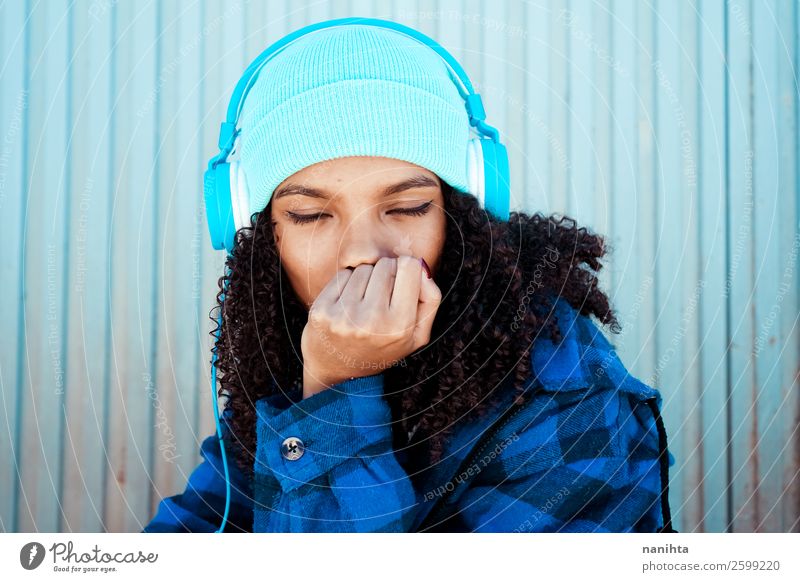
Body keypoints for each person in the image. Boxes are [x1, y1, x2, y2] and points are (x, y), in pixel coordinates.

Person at [142, 22, 675, 533]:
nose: (362, 254)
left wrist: (336, 387)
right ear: (265, 235)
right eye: (310, 215)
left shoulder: (570, 398)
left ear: (461, 219)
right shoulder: (286, 353)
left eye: (407, 207)